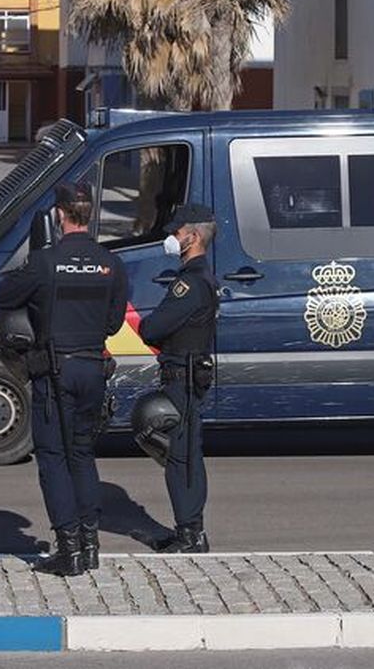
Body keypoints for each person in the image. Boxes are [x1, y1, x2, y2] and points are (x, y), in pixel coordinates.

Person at [0, 181, 129, 576]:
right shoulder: (111, 263)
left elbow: (4, 297)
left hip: (55, 372)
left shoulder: (44, 262)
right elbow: (114, 321)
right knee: (83, 456)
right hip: (93, 368)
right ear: (89, 215)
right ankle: (90, 543)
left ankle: (68, 548)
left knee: (53, 458)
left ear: (59, 214)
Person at [138, 203, 219, 553]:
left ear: (194, 236)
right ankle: (188, 528)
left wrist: (149, 326)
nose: (172, 238)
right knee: (182, 455)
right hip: (184, 375)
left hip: (182, 379)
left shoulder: (190, 284)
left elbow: (153, 327)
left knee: (181, 459)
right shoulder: (198, 278)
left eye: (177, 232)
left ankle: (190, 535)